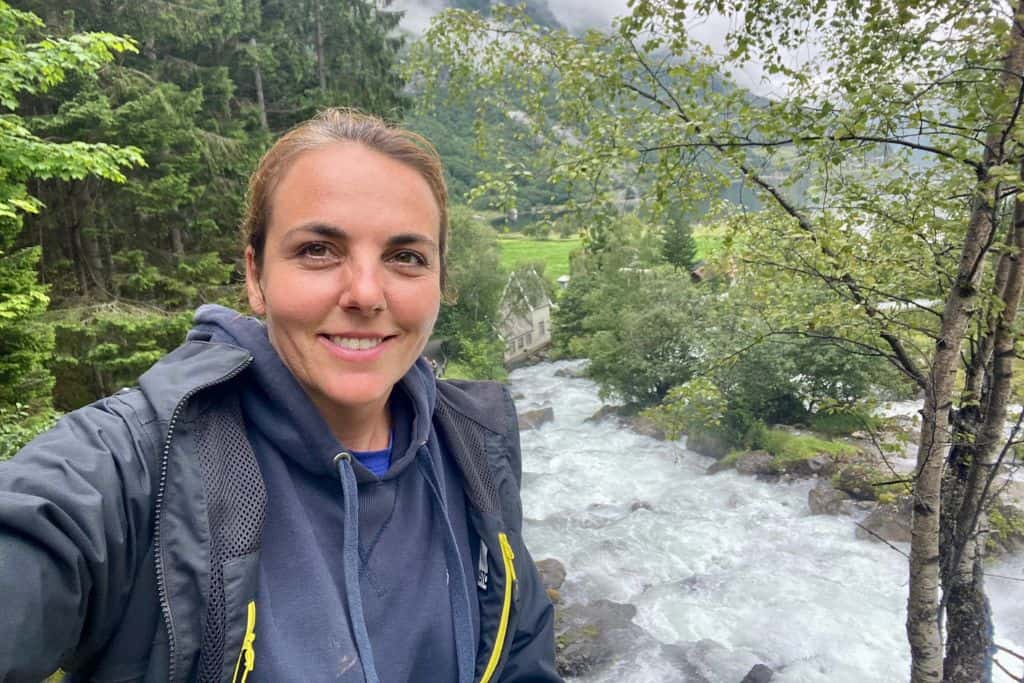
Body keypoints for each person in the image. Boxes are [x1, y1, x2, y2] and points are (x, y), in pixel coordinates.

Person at [0, 109, 560, 683]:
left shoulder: (471, 447)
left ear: (440, 281)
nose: (366, 293)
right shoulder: (141, 463)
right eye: (319, 249)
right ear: (255, 276)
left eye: (405, 257)